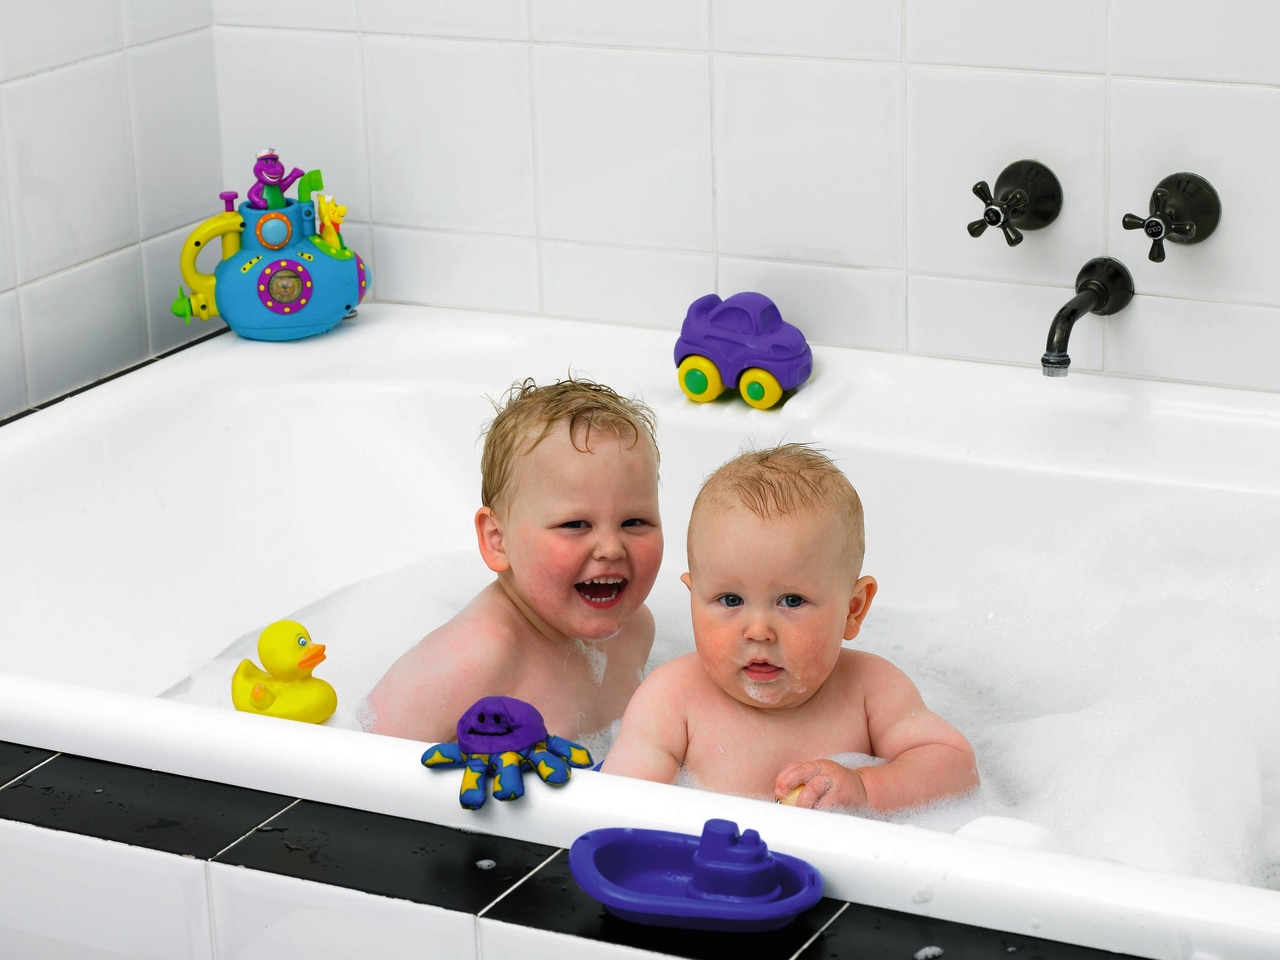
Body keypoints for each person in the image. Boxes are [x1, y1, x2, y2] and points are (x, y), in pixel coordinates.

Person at [603, 444, 977, 812]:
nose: (758, 631)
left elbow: (956, 765)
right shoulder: (672, 700)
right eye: (730, 600)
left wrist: (866, 788)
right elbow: (620, 808)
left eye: (792, 601)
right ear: (693, 599)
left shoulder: (871, 690)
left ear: (853, 609)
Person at [365, 378, 663, 748]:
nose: (611, 548)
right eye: (575, 525)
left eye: (635, 522)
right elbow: (361, 762)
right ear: (498, 540)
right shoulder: (473, 658)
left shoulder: (636, 630)